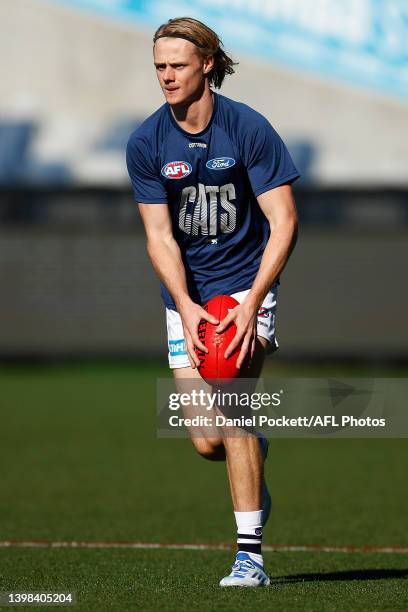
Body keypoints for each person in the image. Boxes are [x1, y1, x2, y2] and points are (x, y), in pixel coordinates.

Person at [126, 16, 299, 587]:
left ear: (206, 63)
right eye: (159, 67)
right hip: (188, 300)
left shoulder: (247, 128)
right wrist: (185, 301)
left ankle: (250, 556)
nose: (166, 76)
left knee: (233, 409)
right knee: (206, 441)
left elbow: (284, 220)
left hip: (246, 287)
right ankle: (251, 453)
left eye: (176, 65)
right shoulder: (146, 142)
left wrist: (252, 304)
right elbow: (159, 237)